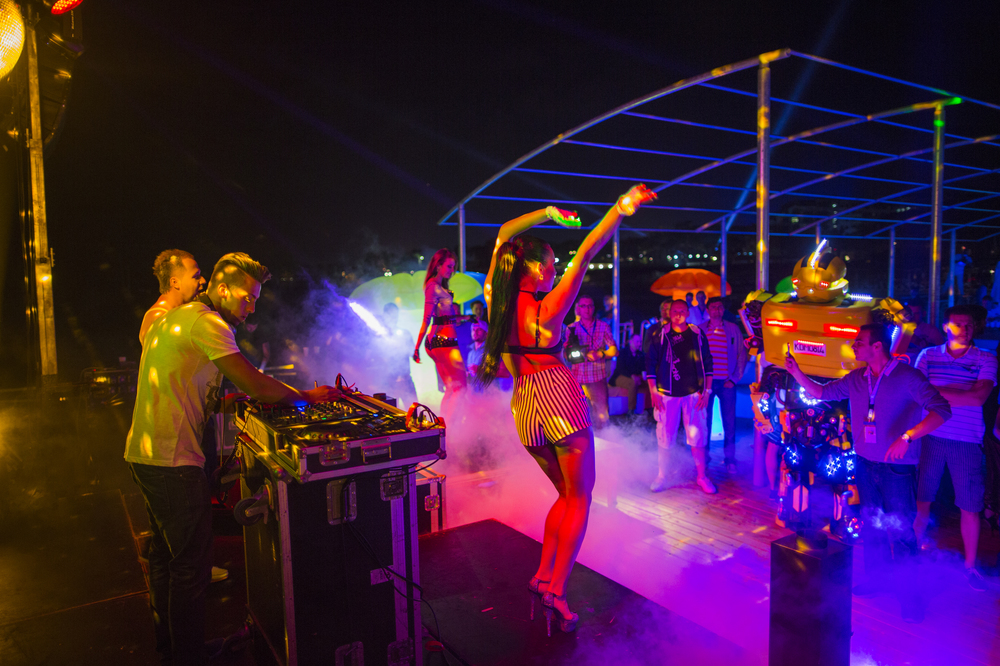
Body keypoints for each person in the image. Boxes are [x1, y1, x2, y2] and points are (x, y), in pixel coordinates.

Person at [125, 253, 340, 665]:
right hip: (173, 463)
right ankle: (189, 659)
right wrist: (306, 397)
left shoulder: (179, 316)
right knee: (191, 569)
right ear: (223, 290)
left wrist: (224, 403)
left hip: (145, 455)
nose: (252, 307)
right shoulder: (207, 322)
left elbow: (179, 382)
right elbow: (256, 383)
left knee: (166, 561)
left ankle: (174, 651)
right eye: (248, 297)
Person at [475, 185, 657, 635]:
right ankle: (556, 590)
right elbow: (588, 249)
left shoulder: (496, 300)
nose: (556, 270)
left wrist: (546, 212)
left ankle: (543, 577)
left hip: (524, 403)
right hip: (557, 396)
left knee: (564, 495)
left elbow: (503, 234)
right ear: (537, 269)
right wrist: (621, 207)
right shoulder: (548, 308)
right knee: (580, 497)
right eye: (553, 264)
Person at [785, 323, 950, 623]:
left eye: (859, 341)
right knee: (873, 527)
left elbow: (942, 410)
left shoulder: (908, 376)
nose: (854, 345)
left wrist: (908, 436)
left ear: (877, 346)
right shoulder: (857, 378)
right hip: (864, 462)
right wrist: (796, 372)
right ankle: (878, 580)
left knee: (901, 531)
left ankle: (910, 597)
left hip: (897, 468)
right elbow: (821, 392)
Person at [913, 305, 996, 591]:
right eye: (959, 324)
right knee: (922, 499)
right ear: (946, 327)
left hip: (967, 439)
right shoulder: (928, 355)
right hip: (930, 436)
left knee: (969, 506)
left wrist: (933, 391)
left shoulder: (986, 358)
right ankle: (914, 553)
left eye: (970, 324)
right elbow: (917, 393)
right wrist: (963, 392)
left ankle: (970, 567)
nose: (966, 329)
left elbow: (978, 399)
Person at [646, 299, 716, 494]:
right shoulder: (660, 334)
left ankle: (702, 477)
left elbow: (708, 362)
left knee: (698, 437)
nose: (678, 314)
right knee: (665, 437)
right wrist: (653, 391)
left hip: (694, 394)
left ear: (687, 312)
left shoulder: (696, 333)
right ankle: (662, 476)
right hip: (667, 394)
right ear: (669, 313)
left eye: (682, 311)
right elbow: (650, 363)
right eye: (675, 311)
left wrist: (707, 391)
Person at [413, 249, 468, 422]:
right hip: (444, 342)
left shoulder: (436, 286)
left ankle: (443, 427)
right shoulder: (432, 287)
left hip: (440, 341)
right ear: (438, 266)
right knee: (460, 387)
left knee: (451, 388)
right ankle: (449, 429)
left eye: (454, 267)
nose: (452, 270)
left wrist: (462, 317)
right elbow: (426, 319)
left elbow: (442, 316)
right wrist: (417, 347)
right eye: (449, 266)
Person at [703, 296, 748, 473]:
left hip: (726, 382)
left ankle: (730, 459)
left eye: (720, 307)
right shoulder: (700, 329)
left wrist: (734, 379)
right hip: (706, 384)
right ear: (708, 310)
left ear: (723, 310)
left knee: (729, 423)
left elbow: (741, 354)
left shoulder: (732, 328)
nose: (717, 310)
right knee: (704, 422)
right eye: (713, 307)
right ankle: (704, 458)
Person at [567, 295, 618, 429]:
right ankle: (583, 439)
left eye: (590, 306)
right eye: (583, 306)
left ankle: (604, 438)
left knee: (602, 416)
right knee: (576, 415)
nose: (587, 309)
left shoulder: (603, 326)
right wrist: (571, 352)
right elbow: (565, 354)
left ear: (594, 308)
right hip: (577, 378)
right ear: (578, 309)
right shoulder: (571, 328)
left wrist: (601, 354)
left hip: (597, 378)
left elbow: (614, 350)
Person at [140, 249, 206, 345]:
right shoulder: (159, 318)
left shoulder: (177, 313)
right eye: (196, 276)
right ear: (175, 282)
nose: (203, 281)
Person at [380, 303, 418, 407]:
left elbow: (413, 354)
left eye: (395, 314)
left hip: (406, 380)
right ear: (385, 315)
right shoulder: (379, 336)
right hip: (388, 383)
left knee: (414, 411)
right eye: (391, 314)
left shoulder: (404, 334)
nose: (394, 318)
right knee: (390, 412)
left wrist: (413, 351)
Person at [609, 333, 646, 413]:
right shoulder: (623, 352)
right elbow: (620, 369)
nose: (639, 344)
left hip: (634, 376)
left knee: (648, 382)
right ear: (630, 342)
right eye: (637, 342)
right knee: (633, 382)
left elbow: (643, 368)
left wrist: (644, 377)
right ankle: (631, 411)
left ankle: (649, 409)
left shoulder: (640, 355)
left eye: (640, 342)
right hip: (620, 376)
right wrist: (631, 375)